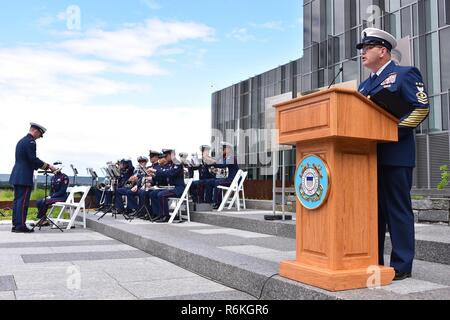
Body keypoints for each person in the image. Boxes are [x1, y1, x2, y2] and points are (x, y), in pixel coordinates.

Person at [356, 28, 430, 281]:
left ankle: (401, 265)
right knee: (372, 212)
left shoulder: (404, 74)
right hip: (368, 158)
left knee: (397, 210)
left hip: (396, 154)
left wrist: (390, 132)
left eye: (367, 48)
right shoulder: (364, 85)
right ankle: (371, 259)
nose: (363, 53)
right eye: (362, 49)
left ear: (383, 51)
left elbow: (420, 109)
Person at [9, 123, 57, 233]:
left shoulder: (22, 141)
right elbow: (33, 159)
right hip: (24, 176)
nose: (39, 137)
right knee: (23, 202)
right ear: (35, 131)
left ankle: (16, 225)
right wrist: (48, 166)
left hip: (17, 175)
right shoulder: (31, 142)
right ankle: (21, 226)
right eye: (40, 134)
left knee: (17, 201)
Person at [151, 149, 186, 223]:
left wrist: (156, 171)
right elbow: (165, 173)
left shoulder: (177, 164)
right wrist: (154, 175)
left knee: (162, 195)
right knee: (154, 193)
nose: (165, 158)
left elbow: (170, 173)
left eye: (166, 156)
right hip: (171, 188)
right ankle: (158, 214)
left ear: (171, 155)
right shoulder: (171, 164)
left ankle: (165, 216)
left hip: (178, 189)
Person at [205, 142, 240, 210]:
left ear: (228, 149)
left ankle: (217, 203)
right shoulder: (225, 158)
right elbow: (218, 163)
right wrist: (209, 162)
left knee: (217, 182)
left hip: (232, 180)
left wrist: (212, 162)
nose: (221, 150)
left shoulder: (232, 157)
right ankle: (208, 202)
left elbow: (222, 165)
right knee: (209, 182)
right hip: (229, 179)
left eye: (222, 148)